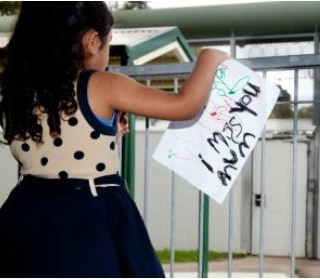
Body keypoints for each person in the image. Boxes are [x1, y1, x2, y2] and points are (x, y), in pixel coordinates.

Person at [0, 2, 228, 277]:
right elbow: (185, 105)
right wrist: (210, 58)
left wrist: (107, 127)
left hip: (28, 214)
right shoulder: (102, 84)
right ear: (92, 41)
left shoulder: (17, 92)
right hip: (91, 214)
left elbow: (68, 142)